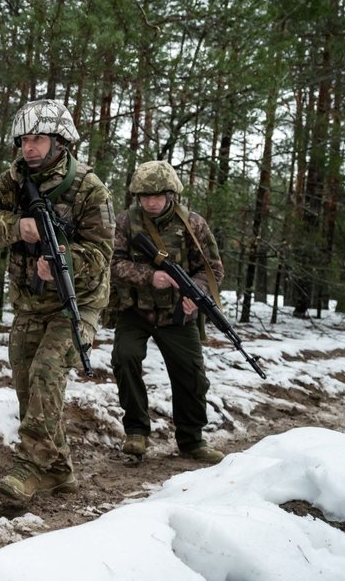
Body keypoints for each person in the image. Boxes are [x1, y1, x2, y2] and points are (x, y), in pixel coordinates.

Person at [0, 99, 114, 506]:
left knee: (47, 372)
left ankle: (30, 469)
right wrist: (18, 227)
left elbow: (104, 255)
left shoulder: (89, 188)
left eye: (38, 139)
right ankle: (59, 470)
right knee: (27, 388)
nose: (29, 148)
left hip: (77, 302)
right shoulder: (12, 181)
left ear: (60, 141)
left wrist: (66, 261)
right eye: (24, 140)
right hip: (30, 302)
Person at [109, 160, 225, 464]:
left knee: (191, 373)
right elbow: (112, 264)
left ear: (170, 193)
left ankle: (191, 439)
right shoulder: (125, 222)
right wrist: (150, 276)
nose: (150, 202)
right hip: (135, 310)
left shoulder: (193, 224)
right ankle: (136, 431)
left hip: (177, 314)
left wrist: (196, 295)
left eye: (157, 196)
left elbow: (211, 270)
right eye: (144, 196)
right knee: (125, 357)